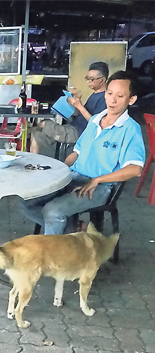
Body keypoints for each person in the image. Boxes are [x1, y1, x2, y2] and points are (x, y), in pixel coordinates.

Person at [20, 70, 145, 235]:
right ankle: (72, 232)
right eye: (109, 93)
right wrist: (59, 170)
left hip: (100, 186)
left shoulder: (130, 129)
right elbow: (77, 152)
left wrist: (97, 180)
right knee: (25, 200)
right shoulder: (94, 120)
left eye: (120, 96)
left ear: (131, 99)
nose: (112, 100)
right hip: (73, 177)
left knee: (53, 211)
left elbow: (135, 169)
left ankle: (55, 257)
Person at [30, 61, 109, 154]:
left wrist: (79, 105)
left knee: (43, 124)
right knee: (37, 135)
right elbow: (80, 114)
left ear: (102, 80)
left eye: (91, 79)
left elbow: (96, 123)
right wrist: (77, 101)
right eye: (87, 78)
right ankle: (33, 164)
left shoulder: (105, 98)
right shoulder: (95, 94)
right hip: (71, 127)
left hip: (78, 133)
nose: (88, 82)